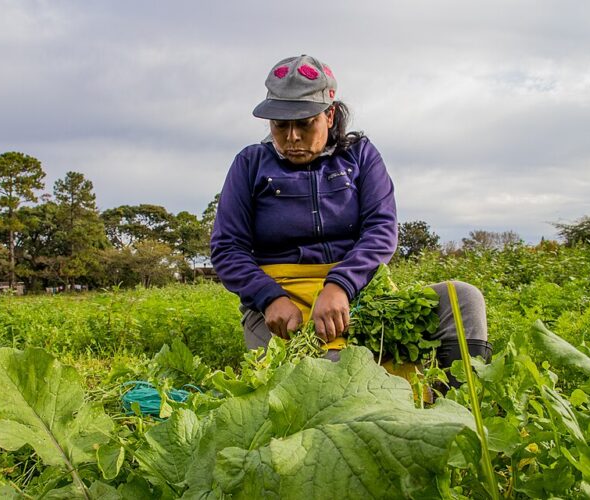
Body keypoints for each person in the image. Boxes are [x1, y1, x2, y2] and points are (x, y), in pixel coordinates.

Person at [210, 54, 491, 382]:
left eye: (304, 123)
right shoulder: (250, 164)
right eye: (280, 125)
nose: (292, 137)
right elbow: (228, 249)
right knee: (328, 383)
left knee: (462, 299)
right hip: (281, 307)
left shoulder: (360, 156)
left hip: (358, 295)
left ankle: (460, 407)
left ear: (329, 116)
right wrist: (269, 297)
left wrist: (340, 286)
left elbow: (381, 230)